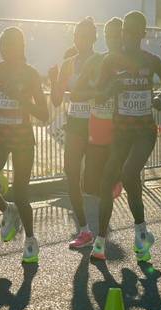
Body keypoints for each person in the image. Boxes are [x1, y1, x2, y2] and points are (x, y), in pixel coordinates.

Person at [91, 11, 161, 262]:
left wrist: (160, 97)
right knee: (107, 181)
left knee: (128, 174)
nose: (128, 35)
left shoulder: (151, 60)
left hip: (144, 133)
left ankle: (139, 234)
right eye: (125, 30)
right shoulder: (110, 60)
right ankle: (102, 241)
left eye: (134, 31)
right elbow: (98, 96)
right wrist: (111, 88)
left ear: (142, 34)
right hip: (121, 133)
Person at [0, 27, 50, 263]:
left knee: (21, 193)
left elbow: (44, 114)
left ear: (21, 48)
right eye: (5, 45)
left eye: (14, 45)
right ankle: (7, 210)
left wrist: (19, 99)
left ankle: (30, 240)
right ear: (0, 48)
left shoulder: (30, 74)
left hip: (22, 140)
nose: (9, 49)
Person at [66, 17, 125, 252]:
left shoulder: (124, 61)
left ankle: (119, 234)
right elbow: (73, 94)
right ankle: (87, 231)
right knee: (84, 181)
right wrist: (100, 91)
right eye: (76, 36)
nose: (114, 41)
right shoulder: (84, 62)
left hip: (115, 127)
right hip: (86, 124)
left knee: (106, 181)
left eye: (118, 36)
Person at [51, 18, 99, 250]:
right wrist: (53, 81)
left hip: (97, 122)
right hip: (75, 123)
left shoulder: (101, 61)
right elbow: (57, 99)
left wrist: (83, 91)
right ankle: (84, 230)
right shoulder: (68, 63)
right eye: (77, 36)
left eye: (85, 36)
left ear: (93, 38)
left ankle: (115, 176)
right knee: (71, 173)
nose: (80, 40)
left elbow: (104, 91)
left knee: (92, 179)